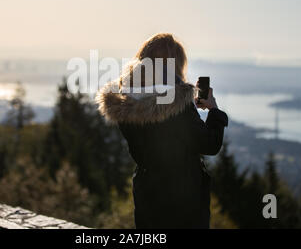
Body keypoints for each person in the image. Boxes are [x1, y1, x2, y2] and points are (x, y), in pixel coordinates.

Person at [96, 33, 228, 228]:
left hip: (147, 194)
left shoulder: (127, 100)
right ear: (176, 64)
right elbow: (209, 144)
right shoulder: (178, 105)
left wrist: (184, 106)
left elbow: (156, 120)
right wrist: (214, 111)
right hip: (183, 199)